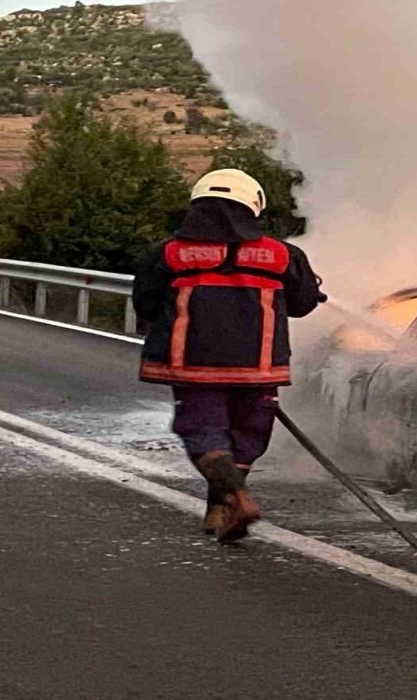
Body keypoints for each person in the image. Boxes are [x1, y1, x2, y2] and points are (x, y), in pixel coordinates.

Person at [133, 169, 325, 542]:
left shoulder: (170, 253)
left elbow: (146, 303)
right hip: (259, 367)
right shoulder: (282, 254)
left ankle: (235, 498)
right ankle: (220, 509)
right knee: (247, 436)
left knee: (205, 434)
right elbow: (302, 305)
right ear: (252, 205)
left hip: (193, 366)